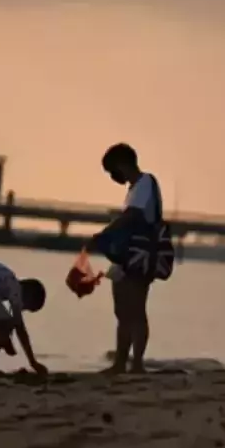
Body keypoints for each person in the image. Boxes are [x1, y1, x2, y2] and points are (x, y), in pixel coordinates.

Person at [85, 143, 161, 374]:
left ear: (122, 164)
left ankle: (135, 363)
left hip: (140, 256)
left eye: (111, 171)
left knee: (136, 309)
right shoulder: (134, 189)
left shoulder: (146, 182)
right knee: (122, 310)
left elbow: (133, 216)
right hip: (126, 256)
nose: (112, 176)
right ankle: (120, 362)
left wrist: (104, 234)